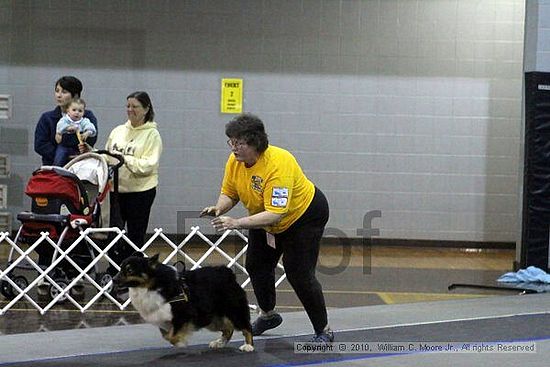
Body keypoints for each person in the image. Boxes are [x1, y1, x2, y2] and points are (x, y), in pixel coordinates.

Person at [200, 113, 334, 343]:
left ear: (255, 142)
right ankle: (268, 315)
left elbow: (276, 213)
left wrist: (237, 222)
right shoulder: (235, 162)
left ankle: (324, 330)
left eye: (239, 143)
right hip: (264, 215)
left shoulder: (278, 164)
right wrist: (220, 208)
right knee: (256, 265)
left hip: (302, 217)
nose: (234, 148)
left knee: (299, 274)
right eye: (231, 141)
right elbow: (230, 193)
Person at [104, 91, 163, 264]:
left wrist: (125, 159)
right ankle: (114, 267)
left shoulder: (152, 135)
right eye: (128, 106)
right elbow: (108, 155)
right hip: (116, 190)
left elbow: (148, 165)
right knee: (114, 233)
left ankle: (134, 270)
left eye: (135, 106)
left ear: (146, 109)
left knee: (135, 234)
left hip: (141, 191)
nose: (130, 110)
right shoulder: (118, 131)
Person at [34, 76, 98, 166]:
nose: (59, 95)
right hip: (53, 165)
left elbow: (91, 139)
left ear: (75, 95)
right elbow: (40, 145)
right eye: (57, 91)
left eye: (64, 92)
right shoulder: (47, 118)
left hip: (80, 164)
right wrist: (61, 155)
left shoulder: (87, 116)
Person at [53, 98, 97, 166]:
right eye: (74, 110)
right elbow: (59, 127)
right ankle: (56, 171)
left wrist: (87, 133)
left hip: (78, 148)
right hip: (65, 146)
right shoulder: (65, 120)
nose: (77, 113)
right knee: (59, 157)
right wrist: (67, 128)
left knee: (84, 161)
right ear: (68, 111)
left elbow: (91, 128)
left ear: (83, 113)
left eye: (80, 111)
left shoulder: (83, 121)